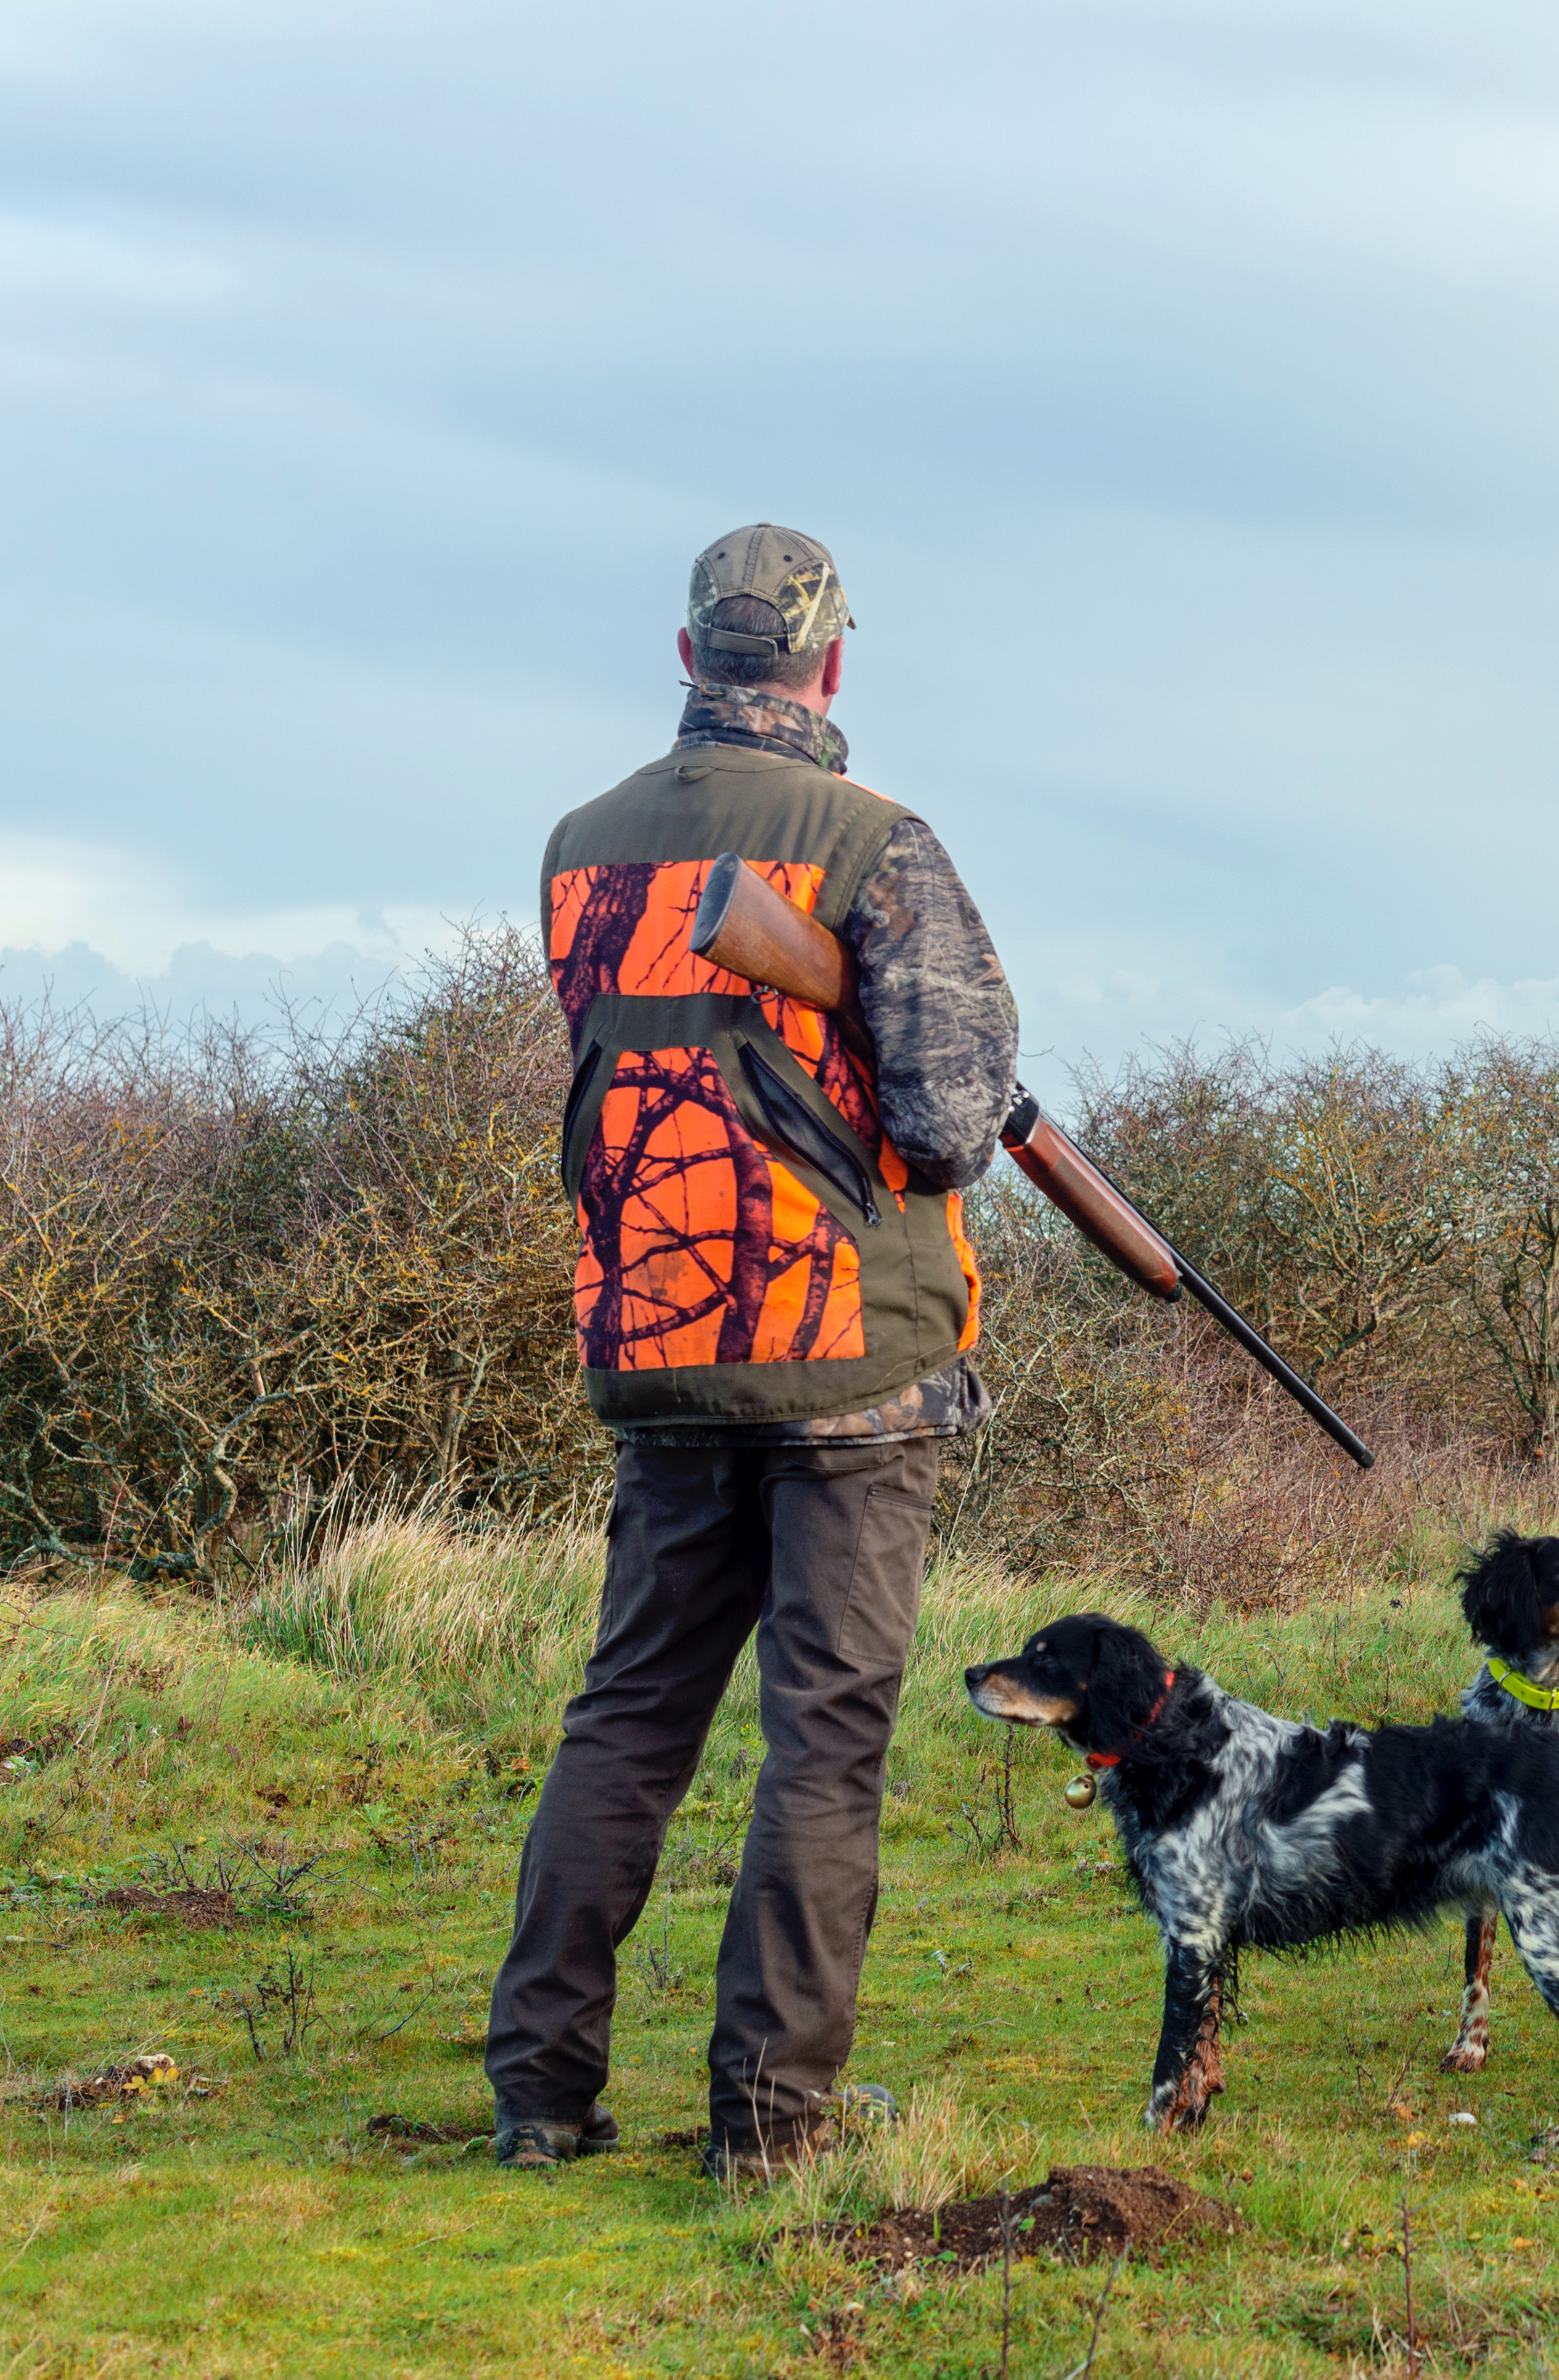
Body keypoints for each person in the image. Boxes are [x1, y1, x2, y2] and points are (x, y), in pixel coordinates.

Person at [488, 525, 1020, 2175]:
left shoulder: (578, 847)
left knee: (629, 1716)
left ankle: (541, 2095)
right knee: (823, 1733)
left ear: (689, 651)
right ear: (832, 661)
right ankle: (772, 2124)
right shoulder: (880, 842)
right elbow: (940, 1126)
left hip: (656, 1336)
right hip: (844, 1357)